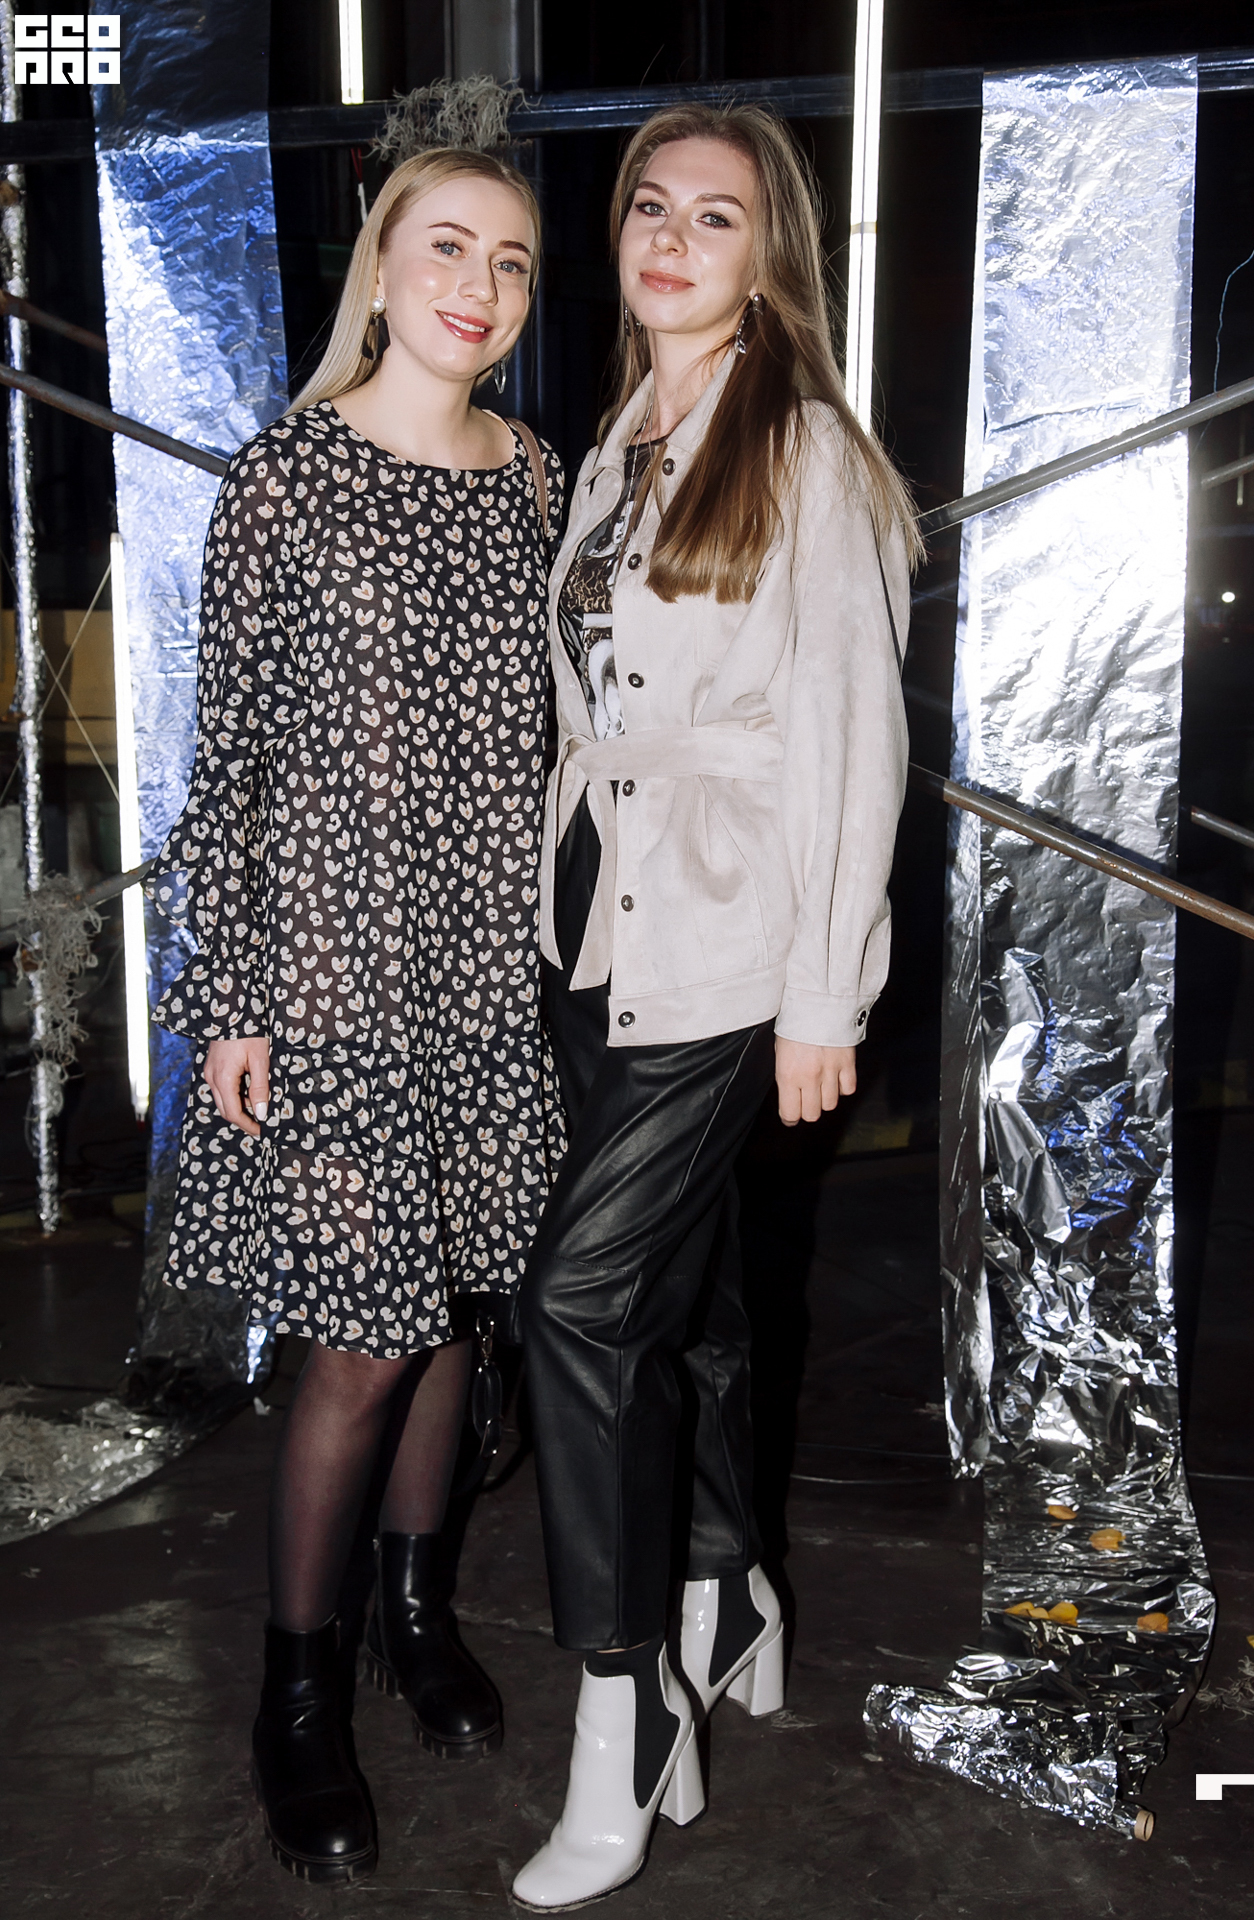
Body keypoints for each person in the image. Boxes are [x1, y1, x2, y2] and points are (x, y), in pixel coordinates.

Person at [511, 104, 919, 1910]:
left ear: (769, 256)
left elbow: (855, 738)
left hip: (737, 933)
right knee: (683, 1294)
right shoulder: (613, 448)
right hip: (601, 921)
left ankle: (623, 1716)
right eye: (649, 209)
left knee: (583, 1307)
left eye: (716, 216)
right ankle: (724, 1576)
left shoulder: (805, 446)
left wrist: (827, 992)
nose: (672, 240)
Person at [150, 145, 563, 1885]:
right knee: (359, 1337)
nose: (480, 286)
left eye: (514, 262)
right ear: (381, 268)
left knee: (451, 1299)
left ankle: (415, 1611)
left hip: (483, 965)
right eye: (448, 247)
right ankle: (297, 1689)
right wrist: (232, 997)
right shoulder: (288, 474)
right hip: (329, 972)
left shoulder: (536, 476)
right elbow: (232, 758)